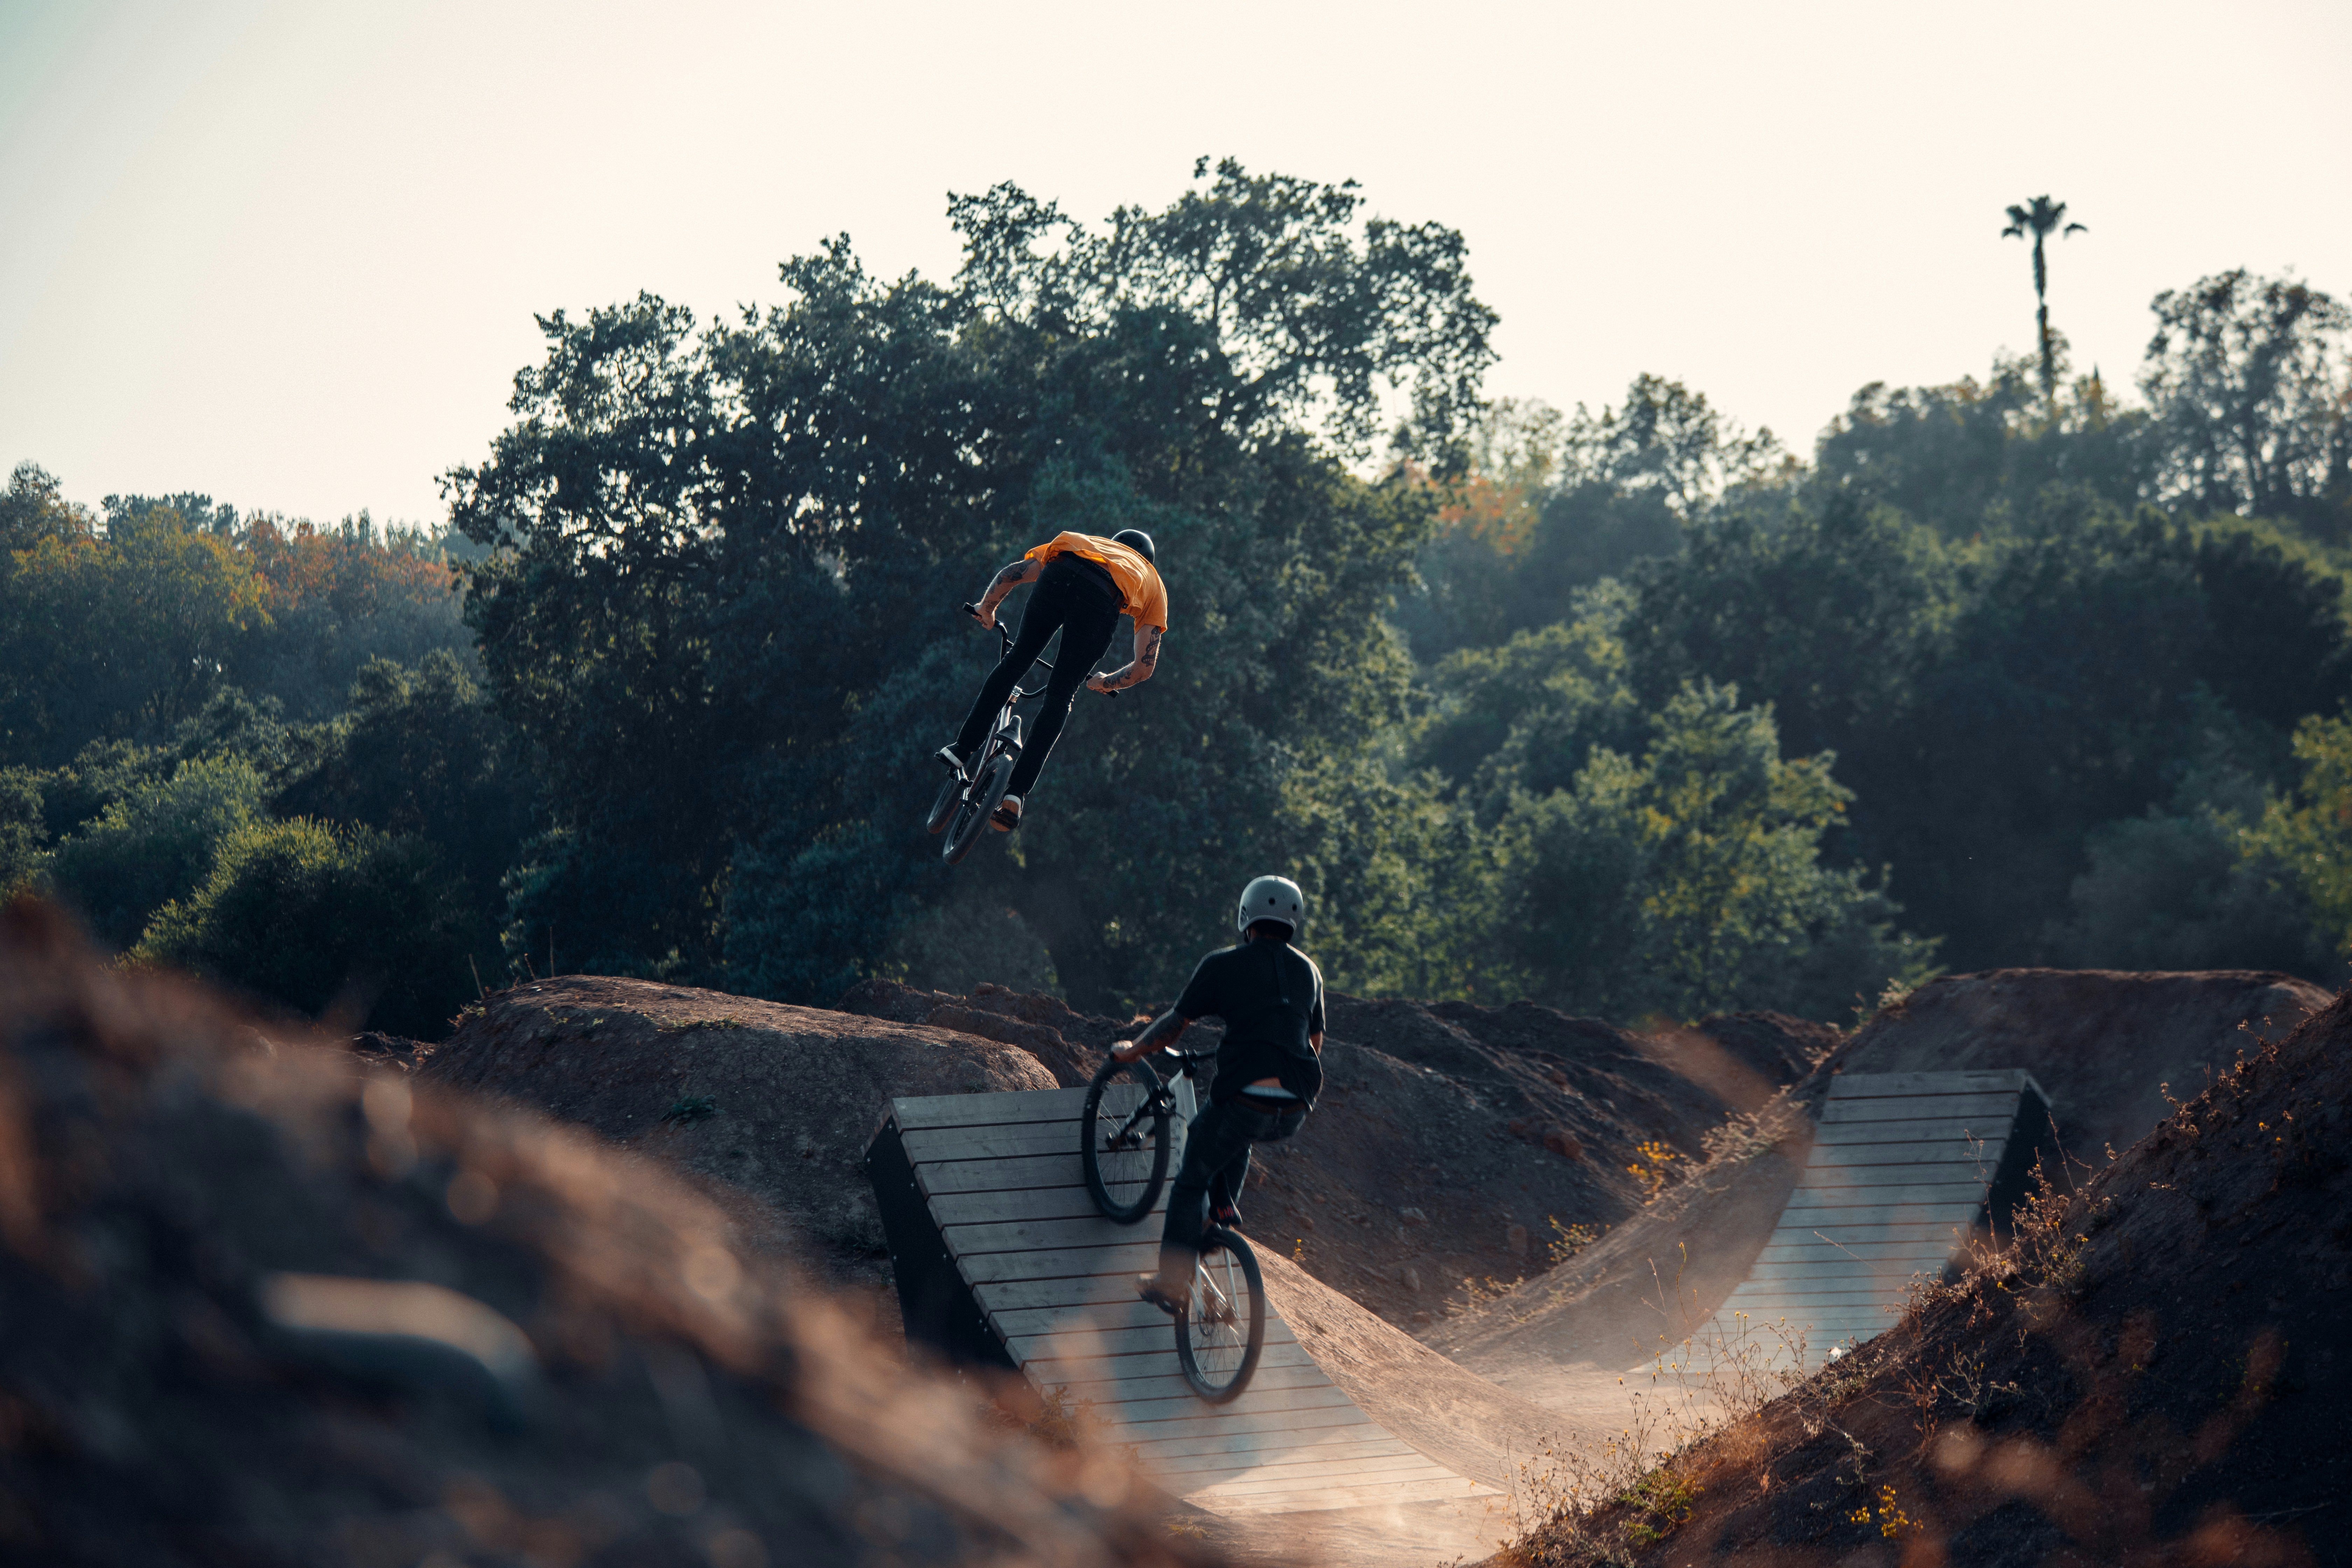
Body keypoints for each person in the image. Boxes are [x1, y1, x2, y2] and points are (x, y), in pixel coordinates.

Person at [1112, 875, 1324, 1314]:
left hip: (1246, 1096)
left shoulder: (1224, 965)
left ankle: (1171, 1282)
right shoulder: (1310, 971)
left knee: (1192, 1176)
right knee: (1235, 1133)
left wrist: (1133, 1051)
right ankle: (1221, 1214)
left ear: (1246, 917)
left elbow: (1175, 1024)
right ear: (1294, 921)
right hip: (1295, 1108)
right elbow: (1314, 1042)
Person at [938, 528, 1167, 832]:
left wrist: (987, 608)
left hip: (1062, 571)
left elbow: (1013, 573)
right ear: (1148, 560)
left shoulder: (1086, 542)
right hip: (1101, 600)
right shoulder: (1151, 579)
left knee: (1016, 661)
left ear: (1113, 543)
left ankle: (962, 750)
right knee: (1061, 696)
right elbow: (1144, 668)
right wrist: (1105, 683)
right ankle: (1015, 795)